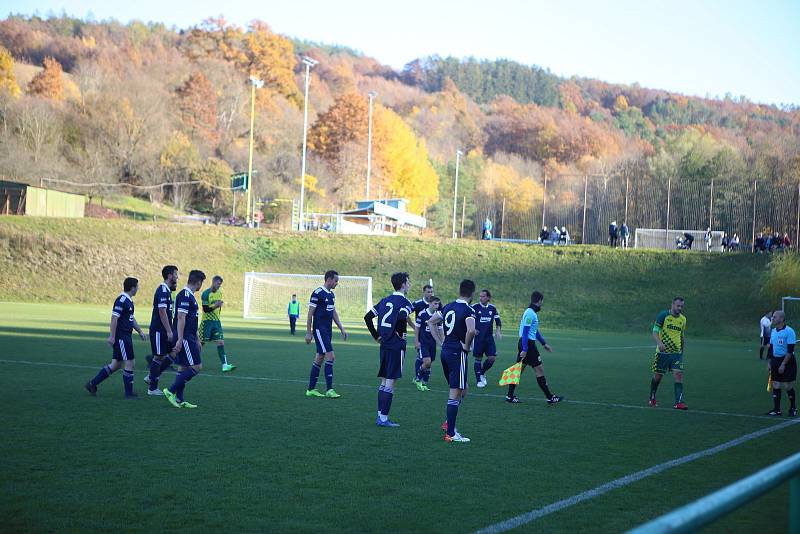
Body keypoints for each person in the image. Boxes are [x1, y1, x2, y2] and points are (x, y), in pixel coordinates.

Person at [428, 279, 477, 443]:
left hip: (446, 352)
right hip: (458, 354)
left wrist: (440, 342)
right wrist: (467, 347)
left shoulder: (448, 306)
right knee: (455, 391)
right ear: (472, 293)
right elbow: (470, 330)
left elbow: (431, 321)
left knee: (464, 389)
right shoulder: (468, 310)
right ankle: (450, 433)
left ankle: (449, 423)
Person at [364, 272, 414, 427]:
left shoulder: (385, 300)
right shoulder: (406, 302)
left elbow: (367, 317)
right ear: (404, 284)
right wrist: (399, 333)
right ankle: (384, 419)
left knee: (384, 380)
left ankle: (380, 415)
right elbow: (401, 316)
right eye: (408, 281)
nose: (410, 284)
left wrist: (377, 336)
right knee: (391, 381)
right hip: (396, 345)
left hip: (384, 343)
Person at [85, 277, 147, 398]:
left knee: (116, 365)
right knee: (130, 362)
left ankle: (92, 384)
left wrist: (139, 331)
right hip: (122, 337)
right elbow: (114, 318)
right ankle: (129, 393)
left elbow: (130, 318)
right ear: (132, 288)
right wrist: (112, 337)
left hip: (125, 336)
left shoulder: (128, 300)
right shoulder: (122, 300)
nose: (138, 289)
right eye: (137, 287)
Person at [505, 291, 562, 405]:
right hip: (528, 345)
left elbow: (533, 331)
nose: (542, 304)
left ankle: (509, 396)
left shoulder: (530, 312)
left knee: (518, 370)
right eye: (542, 302)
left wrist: (543, 343)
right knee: (539, 369)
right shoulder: (531, 314)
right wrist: (525, 349)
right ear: (539, 301)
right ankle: (550, 397)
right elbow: (526, 332)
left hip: (525, 343)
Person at [163, 270, 206, 408]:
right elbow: (181, 317)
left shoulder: (190, 295)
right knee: (197, 366)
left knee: (183, 367)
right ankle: (170, 391)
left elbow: (192, 320)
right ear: (198, 282)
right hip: (185, 337)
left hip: (190, 336)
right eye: (201, 283)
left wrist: (197, 339)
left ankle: (180, 400)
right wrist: (180, 339)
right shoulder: (185, 295)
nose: (201, 286)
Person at [305, 270, 348, 398]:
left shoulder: (331, 295)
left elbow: (333, 312)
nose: (337, 283)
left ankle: (311, 389)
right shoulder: (317, 293)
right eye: (336, 281)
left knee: (320, 357)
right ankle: (329, 390)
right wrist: (308, 332)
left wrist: (341, 328)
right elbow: (310, 313)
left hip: (328, 330)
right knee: (331, 356)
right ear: (329, 279)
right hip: (319, 329)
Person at [145, 265, 179, 396]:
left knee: (174, 352)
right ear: (170, 275)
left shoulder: (167, 291)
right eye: (176, 274)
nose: (177, 277)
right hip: (159, 330)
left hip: (164, 330)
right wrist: (169, 331)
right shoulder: (162, 291)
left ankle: (152, 376)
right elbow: (162, 311)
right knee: (158, 357)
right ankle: (152, 388)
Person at [648, 297, 688, 410]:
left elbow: (681, 336)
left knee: (678, 375)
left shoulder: (683, 319)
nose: (680, 308)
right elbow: (655, 331)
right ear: (672, 304)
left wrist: (682, 351)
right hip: (663, 353)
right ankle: (652, 397)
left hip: (676, 353)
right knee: (658, 376)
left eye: (681, 306)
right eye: (678, 306)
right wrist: (659, 343)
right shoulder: (663, 315)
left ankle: (679, 402)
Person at [200, 275, 236, 373]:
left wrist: (218, 311)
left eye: (220, 284)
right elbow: (205, 309)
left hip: (216, 322)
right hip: (206, 322)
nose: (219, 286)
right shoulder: (206, 294)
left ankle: (224, 365)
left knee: (221, 342)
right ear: (213, 282)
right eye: (218, 284)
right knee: (201, 343)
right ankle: (193, 362)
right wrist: (216, 305)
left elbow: (218, 308)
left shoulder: (220, 293)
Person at [767, 310, 797, 417]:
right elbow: (771, 348)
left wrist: (783, 364)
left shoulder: (789, 331)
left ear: (781, 319)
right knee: (776, 384)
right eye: (773, 317)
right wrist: (769, 362)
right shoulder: (773, 331)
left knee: (788, 385)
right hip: (775, 360)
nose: (773, 318)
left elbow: (790, 350)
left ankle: (793, 407)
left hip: (788, 361)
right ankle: (777, 410)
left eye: (775, 317)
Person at [472, 289, 502, 388]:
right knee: (478, 359)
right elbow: (466, 319)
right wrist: (473, 329)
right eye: (480, 296)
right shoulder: (474, 307)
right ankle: (478, 380)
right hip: (478, 338)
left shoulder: (492, 308)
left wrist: (498, 331)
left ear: (488, 298)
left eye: (483, 296)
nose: (481, 298)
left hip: (489, 338)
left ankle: (482, 373)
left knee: (492, 358)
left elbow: (498, 322)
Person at [413, 296, 442, 391]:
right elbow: (417, 328)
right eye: (435, 304)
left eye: (438, 304)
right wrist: (416, 341)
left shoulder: (438, 315)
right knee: (427, 362)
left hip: (433, 343)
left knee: (429, 364)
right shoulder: (422, 314)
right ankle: (418, 378)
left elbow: (440, 329)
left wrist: (442, 342)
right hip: (423, 343)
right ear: (429, 303)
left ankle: (424, 383)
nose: (437, 306)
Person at [412, 284, 435, 379]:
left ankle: (421, 378)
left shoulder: (435, 304)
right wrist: (413, 326)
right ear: (424, 292)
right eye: (428, 292)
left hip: (432, 336)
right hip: (421, 336)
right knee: (423, 358)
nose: (430, 294)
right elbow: (405, 314)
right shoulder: (418, 304)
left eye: (431, 292)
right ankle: (419, 378)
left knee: (428, 358)